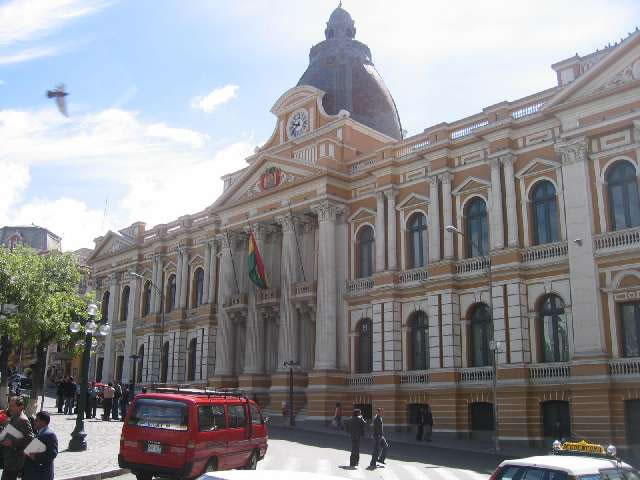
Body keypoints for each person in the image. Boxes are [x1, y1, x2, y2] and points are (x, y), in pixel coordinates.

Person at [1, 396, 35, 480]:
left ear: (21, 407)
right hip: (9, 458)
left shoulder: (23, 420)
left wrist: (12, 443)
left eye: (12, 406)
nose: (10, 408)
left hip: (15, 460)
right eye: (9, 405)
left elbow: (30, 439)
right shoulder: (15, 417)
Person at [23, 411, 58, 480]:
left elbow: (52, 454)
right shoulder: (39, 433)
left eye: (37, 420)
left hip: (41, 474)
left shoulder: (49, 435)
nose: (34, 422)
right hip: (33, 473)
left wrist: (35, 456)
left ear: (43, 422)